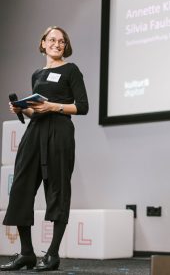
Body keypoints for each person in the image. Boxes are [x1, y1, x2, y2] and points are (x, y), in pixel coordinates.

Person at [1, 26, 89, 272]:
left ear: (65, 46)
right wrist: (22, 109)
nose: (57, 44)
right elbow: (34, 111)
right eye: (52, 39)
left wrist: (52, 106)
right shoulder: (37, 74)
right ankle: (27, 253)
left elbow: (82, 106)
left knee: (58, 189)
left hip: (59, 132)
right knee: (20, 188)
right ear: (42, 43)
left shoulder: (71, 70)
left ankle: (52, 254)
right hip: (35, 133)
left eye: (62, 41)